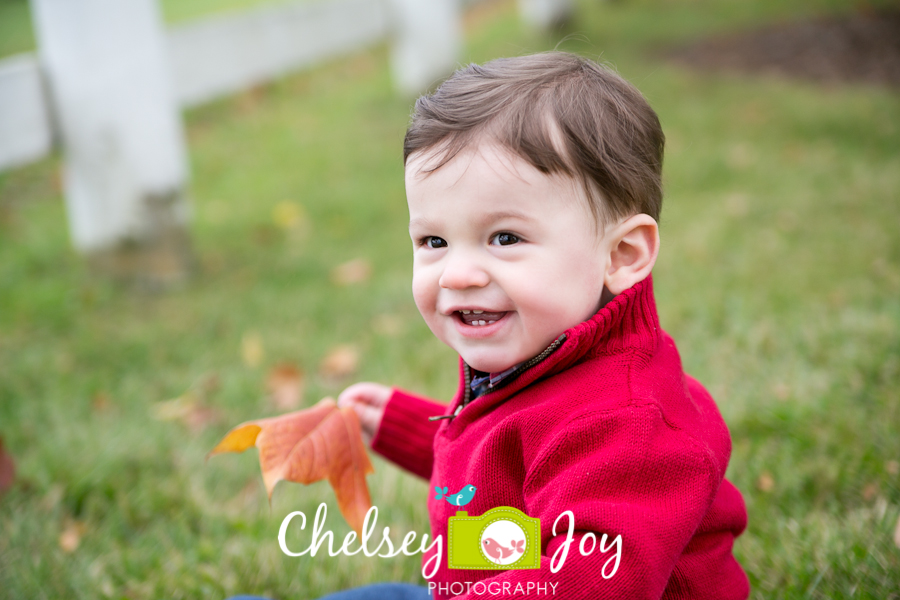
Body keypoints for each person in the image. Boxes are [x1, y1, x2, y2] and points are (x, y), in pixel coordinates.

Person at [335, 51, 749, 599]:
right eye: (433, 241)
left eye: (505, 238)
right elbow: (516, 471)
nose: (457, 274)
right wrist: (406, 427)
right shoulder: (543, 361)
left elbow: (589, 583)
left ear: (621, 254)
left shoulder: (627, 426)